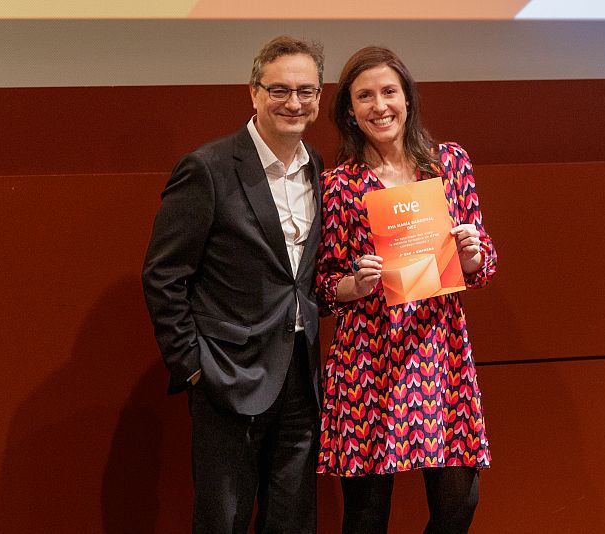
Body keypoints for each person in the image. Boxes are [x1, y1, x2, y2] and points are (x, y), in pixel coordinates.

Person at [142, 36, 325, 533]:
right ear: (253, 92)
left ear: (319, 97)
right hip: (228, 379)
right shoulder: (209, 168)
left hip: (301, 380)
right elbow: (163, 275)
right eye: (280, 90)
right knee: (223, 522)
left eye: (306, 91)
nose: (294, 102)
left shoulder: (320, 172)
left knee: (292, 524)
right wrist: (193, 366)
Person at [315, 46, 497, 534]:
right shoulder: (336, 186)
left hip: (438, 350)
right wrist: (355, 283)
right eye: (365, 96)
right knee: (367, 516)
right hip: (367, 359)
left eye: (389, 92)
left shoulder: (449, 164)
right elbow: (324, 284)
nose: (380, 106)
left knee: (459, 502)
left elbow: (482, 262)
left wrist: (472, 254)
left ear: (408, 99)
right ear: (349, 111)